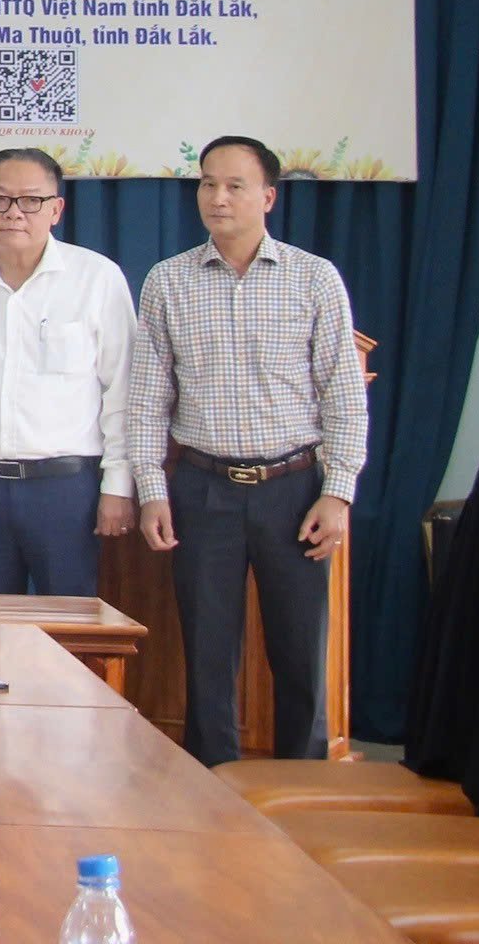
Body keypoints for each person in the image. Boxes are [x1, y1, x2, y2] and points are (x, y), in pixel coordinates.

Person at [131, 134, 368, 764]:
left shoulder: (314, 278)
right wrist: (151, 490)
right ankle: (213, 784)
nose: (218, 197)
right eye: (208, 183)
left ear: (267, 196)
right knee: (207, 652)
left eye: (235, 185)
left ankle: (303, 788)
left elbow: (344, 396)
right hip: (202, 487)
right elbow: (148, 400)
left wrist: (337, 493)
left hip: (294, 488)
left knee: (299, 652)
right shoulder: (168, 281)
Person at [0, 148, 136, 597]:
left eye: (31, 200)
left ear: (56, 209)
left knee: (69, 626)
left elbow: (122, 389)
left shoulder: (97, 278)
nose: (14, 212)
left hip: (66, 488)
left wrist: (118, 484)